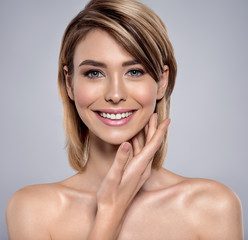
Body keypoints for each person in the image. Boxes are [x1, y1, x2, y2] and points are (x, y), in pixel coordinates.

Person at [6, 0, 243, 239]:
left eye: (134, 71)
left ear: (162, 82)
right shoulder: (32, 209)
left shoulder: (212, 206)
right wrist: (110, 214)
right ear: (70, 83)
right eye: (94, 73)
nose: (115, 95)